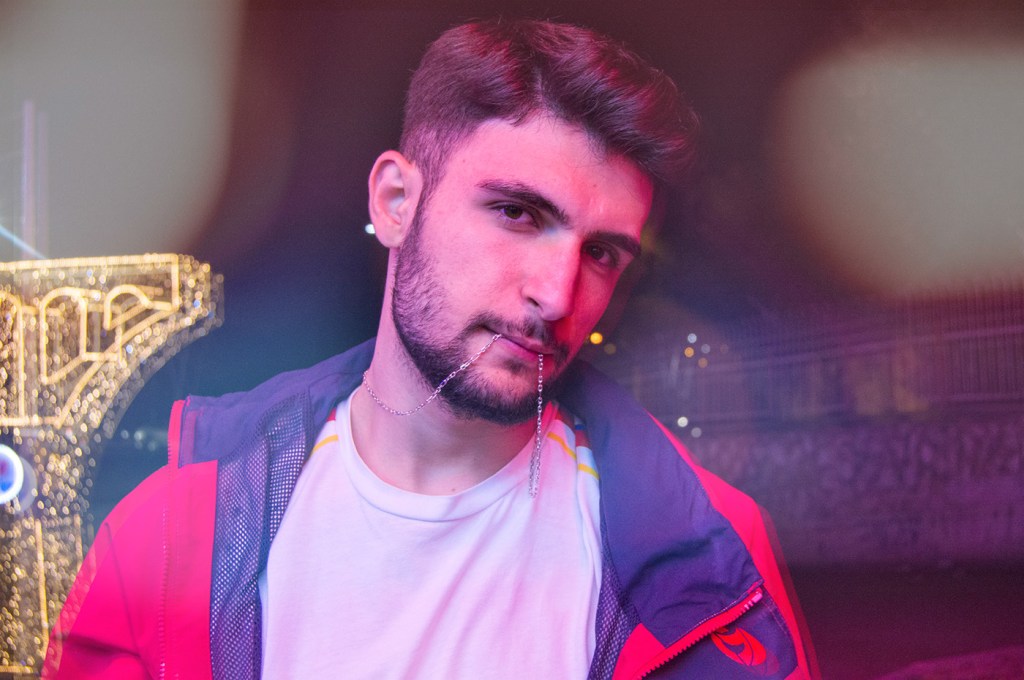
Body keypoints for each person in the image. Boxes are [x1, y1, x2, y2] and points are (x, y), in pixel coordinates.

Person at [44, 18, 814, 679]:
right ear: (395, 202)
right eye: (517, 213)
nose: (557, 294)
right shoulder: (170, 535)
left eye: (603, 253)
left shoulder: (711, 559)